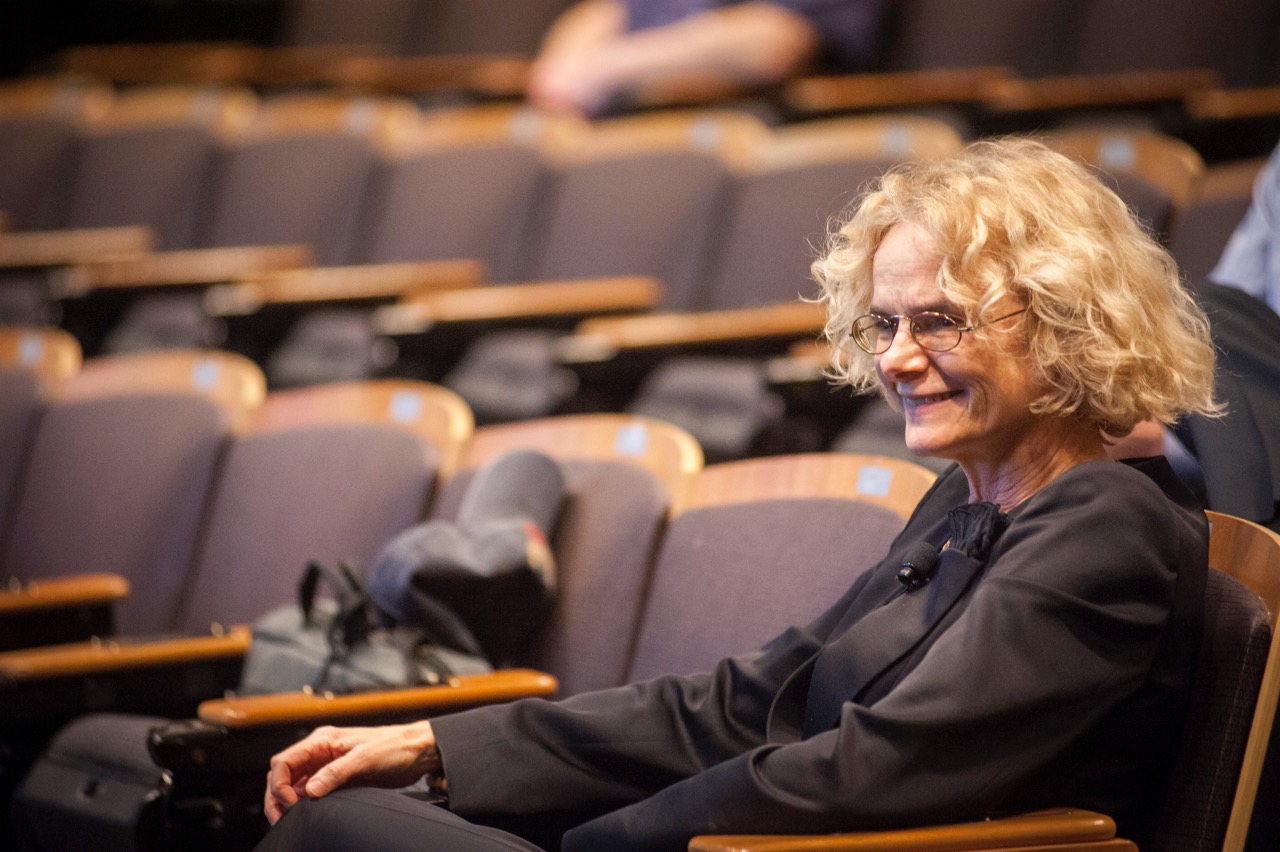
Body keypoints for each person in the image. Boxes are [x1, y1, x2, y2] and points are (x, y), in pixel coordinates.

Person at [257, 137, 1221, 852]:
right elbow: (745, 702)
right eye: (883, 324)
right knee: (350, 815)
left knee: (335, 836)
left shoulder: (1108, 525)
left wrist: (598, 839)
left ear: (1061, 326)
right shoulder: (970, 501)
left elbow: (878, 773)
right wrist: (441, 745)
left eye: (939, 322)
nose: (896, 358)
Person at [526, 0, 886, 117]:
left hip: (761, 125)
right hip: (633, 130)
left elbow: (774, 43)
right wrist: (561, 69)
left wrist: (608, 67)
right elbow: (606, 10)